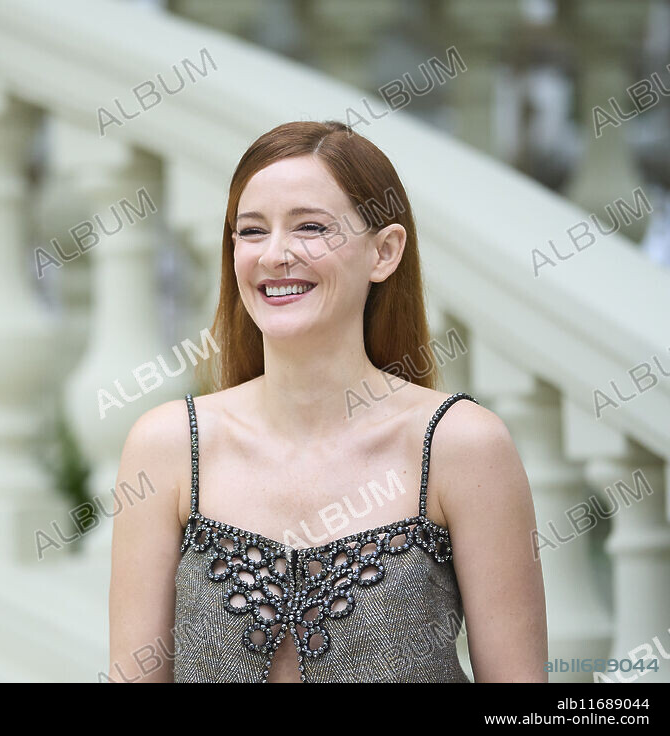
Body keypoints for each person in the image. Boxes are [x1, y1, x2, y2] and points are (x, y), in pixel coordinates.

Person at [107, 120, 547, 683]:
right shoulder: (167, 446)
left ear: (384, 251)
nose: (276, 255)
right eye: (251, 231)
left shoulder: (462, 444)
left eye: (311, 227)